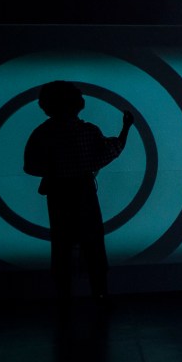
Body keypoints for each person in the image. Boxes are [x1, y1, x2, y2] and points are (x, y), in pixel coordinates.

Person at [23, 80, 134, 303]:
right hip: (84, 193)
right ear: (75, 103)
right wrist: (126, 128)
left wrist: (54, 170)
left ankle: (63, 299)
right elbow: (110, 151)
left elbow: (30, 166)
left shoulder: (42, 133)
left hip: (58, 195)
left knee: (61, 246)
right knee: (94, 246)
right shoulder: (88, 131)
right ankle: (100, 296)